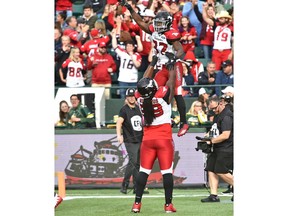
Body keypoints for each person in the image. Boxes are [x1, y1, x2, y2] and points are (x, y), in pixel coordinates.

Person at [121, 1, 189, 137]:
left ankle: (183, 122)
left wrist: (174, 58)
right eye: (156, 23)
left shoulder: (172, 34)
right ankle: (150, 117)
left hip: (173, 65)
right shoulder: (153, 29)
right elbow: (140, 22)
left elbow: (181, 51)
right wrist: (130, 9)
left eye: (160, 24)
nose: (157, 26)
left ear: (168, 23)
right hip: (160, 66)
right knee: (149, 90)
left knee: (176, 92)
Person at [131, 55, 177, 213]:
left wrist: (152, 63)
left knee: (144, 171)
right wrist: (171, 68)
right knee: (166, 172)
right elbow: (171, 84)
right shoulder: (162, 95)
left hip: (148, 139)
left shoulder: (139, 98)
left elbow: (143, 81)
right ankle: (168, 205)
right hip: (163, 138)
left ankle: (137, 204)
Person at [200, 96, 234, 203]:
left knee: (221, 171)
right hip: (218, 148)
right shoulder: (217, 115)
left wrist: (211, 141)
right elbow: (214, 130)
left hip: (227, 147)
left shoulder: (227, 116)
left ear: (221, 103)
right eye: (212, 109)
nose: (213, 111)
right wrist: (205, 138)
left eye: (215, 108)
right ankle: (213, 195)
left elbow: (225, 135)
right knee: (211, 169)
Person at [116, 88, 143, 194]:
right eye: (130, 96)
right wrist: (119, 135)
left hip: (140, 139)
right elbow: (119, 123)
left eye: (133, 96)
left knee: (138, 164)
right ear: (126, 98)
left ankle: (136, 187)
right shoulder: (124, 109)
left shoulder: (138, 108)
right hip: (130, 140)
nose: (132, 98)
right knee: (133, 162)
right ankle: (125, 184)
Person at [111, 29, 142, 99]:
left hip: (133, 79)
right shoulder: (123, 53)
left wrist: (132, 56)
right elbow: (115, 46)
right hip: (123, 79)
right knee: (123, 97)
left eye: (130, 46)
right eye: (127, 46)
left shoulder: (137, 55)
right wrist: (113, 36)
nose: (129, 48)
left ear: (133, 47)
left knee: (133, 97)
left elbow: (137, 65)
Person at [202, 5, 233, 72]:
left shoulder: (231, 28)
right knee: (215, 69)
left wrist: (231, 53)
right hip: (216, 51)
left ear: (226, 19)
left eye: (222, 18)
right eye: (220, 18)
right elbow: (205, 18)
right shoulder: (216, 25)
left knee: (228, 69)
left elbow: (234, 42)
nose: (220, 19)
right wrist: (204, 9)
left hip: (227, 50)